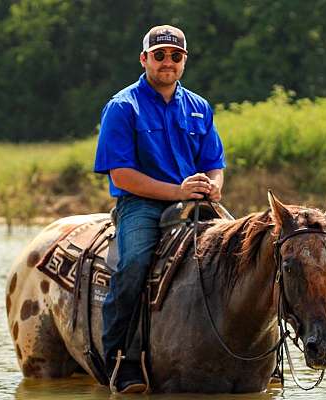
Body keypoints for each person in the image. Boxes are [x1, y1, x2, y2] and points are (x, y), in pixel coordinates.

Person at [94, 24, 226, 393]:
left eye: (175, 56)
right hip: (142, 204)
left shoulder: (200, 107)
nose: (168, 62)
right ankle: (120, 358)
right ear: (144, 59)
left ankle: (263, 353)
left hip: (196, 200)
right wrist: (176, 191)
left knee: (253, 250)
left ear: (184, 61)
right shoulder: (123, 107)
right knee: (134, 262)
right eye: (159, 55)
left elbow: (214, 161)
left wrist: (213, 186)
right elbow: (121, 174)